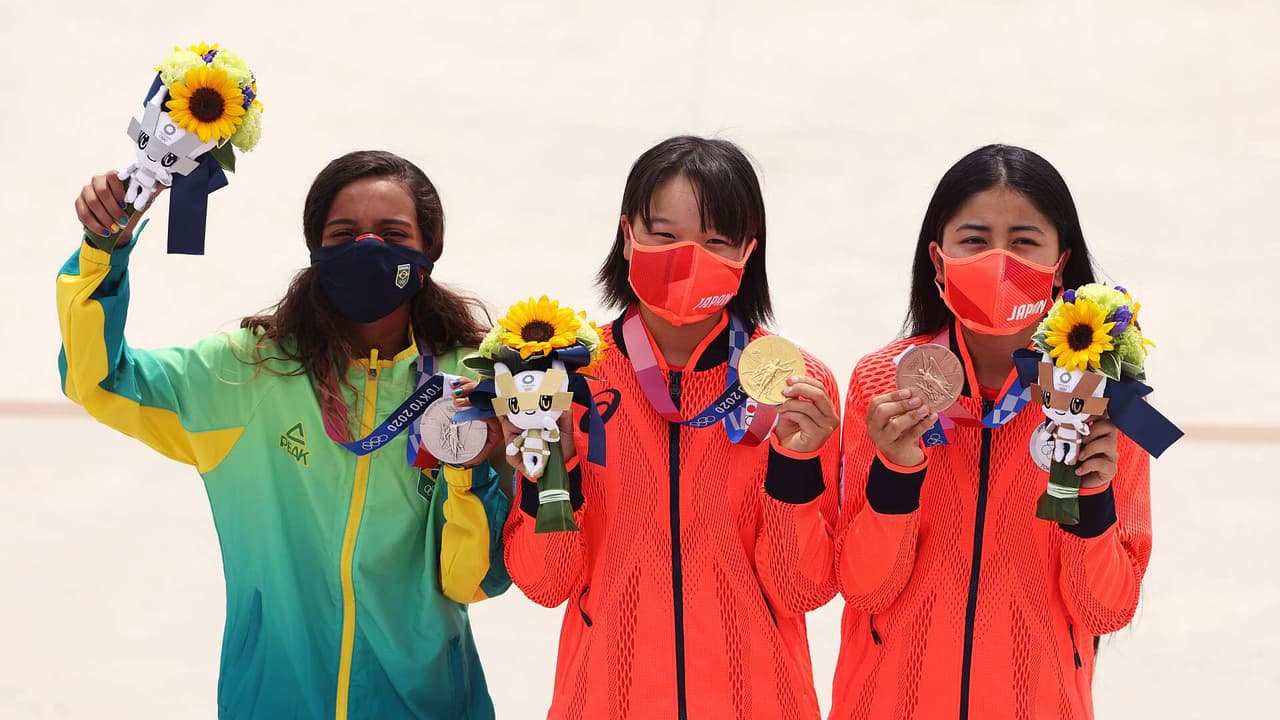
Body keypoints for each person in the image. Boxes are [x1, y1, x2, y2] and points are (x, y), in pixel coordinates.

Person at [59, 150, 511, 719]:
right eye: (343, 234)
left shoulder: (472, 385)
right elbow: (98, 380)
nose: (367, 248)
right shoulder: (248, 373)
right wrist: (104, 252)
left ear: (429, 250)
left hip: (429, 707)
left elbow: (478, 580)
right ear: (316, 250)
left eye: (391, 233)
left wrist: (475, 470)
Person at [503, 135, 842, 719]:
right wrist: (547, 478)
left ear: (747, 253)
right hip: (604, 699)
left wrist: (795, 466)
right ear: (627, 233)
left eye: (715, 240)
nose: (688, 256)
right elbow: (545, 583)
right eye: (664, 235)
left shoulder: (793, 386)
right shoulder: (563, 380)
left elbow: (800, 589)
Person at [830, 144, 1151, 720]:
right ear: (938, 258)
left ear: (1061, 261)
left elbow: (1104, 611)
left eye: (1024, 241)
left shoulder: (1101, 395)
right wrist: (895, 476)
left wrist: (1094, 498)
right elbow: (864, 588)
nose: (999, 260)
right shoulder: (881, 382)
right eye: (975, 240)